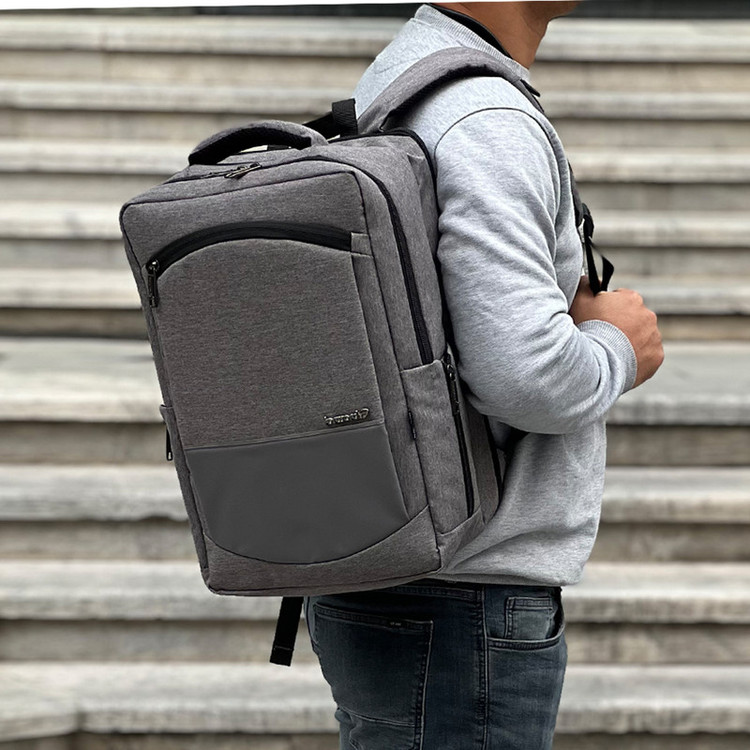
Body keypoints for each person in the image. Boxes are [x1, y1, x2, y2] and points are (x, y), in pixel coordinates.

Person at [303, 3, 664, 748]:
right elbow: (525, 378)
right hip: (463, 602)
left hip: (405, 574)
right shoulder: (482, 116)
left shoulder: (408, 80)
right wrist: (619, 346)